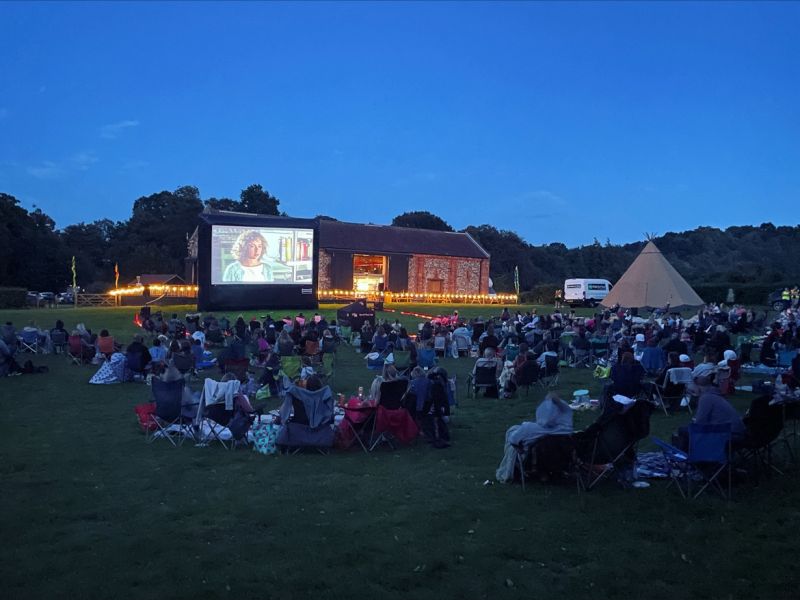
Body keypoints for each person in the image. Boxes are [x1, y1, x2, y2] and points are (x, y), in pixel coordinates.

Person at [496, 393, 573, 483]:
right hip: (561, 459)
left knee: (512, 435)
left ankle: (539, 472)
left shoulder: (529, 429)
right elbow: (566, 410)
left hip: (534, 460)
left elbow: (513, 440)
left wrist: (519, 448)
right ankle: (550, 472)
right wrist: (558, 402)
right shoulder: (564, 429)